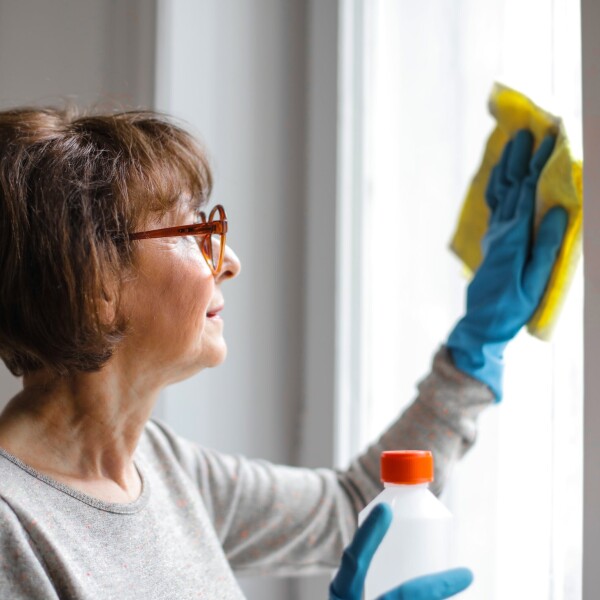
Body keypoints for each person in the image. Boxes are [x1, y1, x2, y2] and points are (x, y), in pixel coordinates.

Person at [0, 108, 566, 600]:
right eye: (195, 231)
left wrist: (476, 345)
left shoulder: (163, 466)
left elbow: (354, 507)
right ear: (93, 281)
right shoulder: (14, 525)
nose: (229, 261)